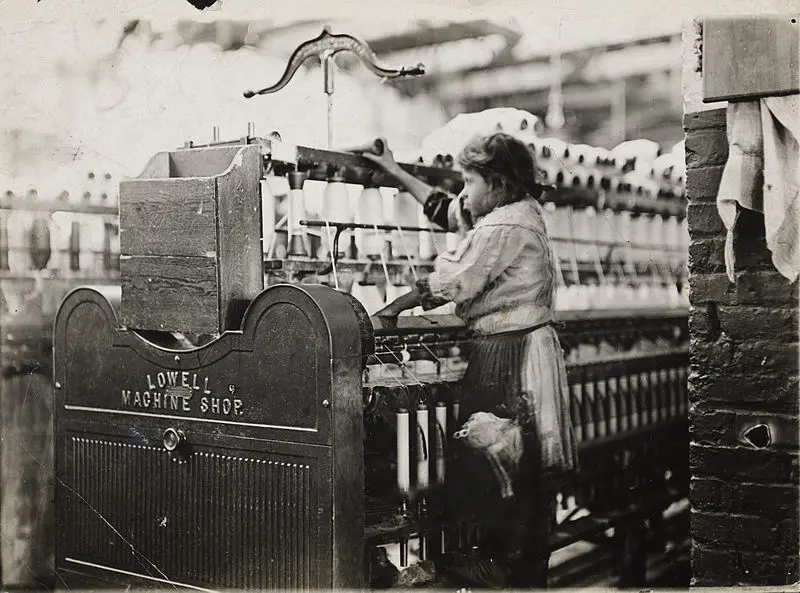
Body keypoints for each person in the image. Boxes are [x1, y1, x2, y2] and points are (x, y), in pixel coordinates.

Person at [363, 133, 579, 589]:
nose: (463, 192)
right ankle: (509, 567)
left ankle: (503, 567)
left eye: (468, 180)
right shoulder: (511, 212)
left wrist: (390, 310)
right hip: (514, 347)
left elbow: (454, 281)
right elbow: (450, 212)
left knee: (502, 454)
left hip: (512, 353)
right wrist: (395, 171)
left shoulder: (505, 226)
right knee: (512, 460)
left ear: (497, 184)